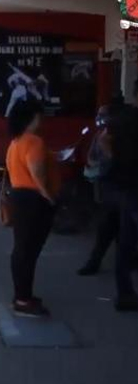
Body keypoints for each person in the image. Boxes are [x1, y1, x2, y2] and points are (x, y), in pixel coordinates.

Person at [5, 100, 59, 317]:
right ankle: (23, 299)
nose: (42, 121)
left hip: (19, 197)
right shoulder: (34, 142)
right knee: (28, 251)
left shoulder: (16, 142)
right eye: (39, 116)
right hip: (33, 200)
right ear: (31, 119)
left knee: (22, 250)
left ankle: (22, 295)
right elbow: (37, 172)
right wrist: (48, 196)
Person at [104, 96, 138, 311]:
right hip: (131, 186)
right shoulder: (126, 117)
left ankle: (124, 294)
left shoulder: (122, 118)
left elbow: (103, 139)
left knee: (125, 242)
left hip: (123, 185)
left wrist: (115, 157)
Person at [78, 105, 118, 276]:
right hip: (108, 187)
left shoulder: (117, 136)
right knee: (106, 228)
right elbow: (92, 156)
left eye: (104, 115)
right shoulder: (98, 135)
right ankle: (94, 262)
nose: (100, 118)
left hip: (120, 187)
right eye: (99, 114)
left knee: (114, 228)